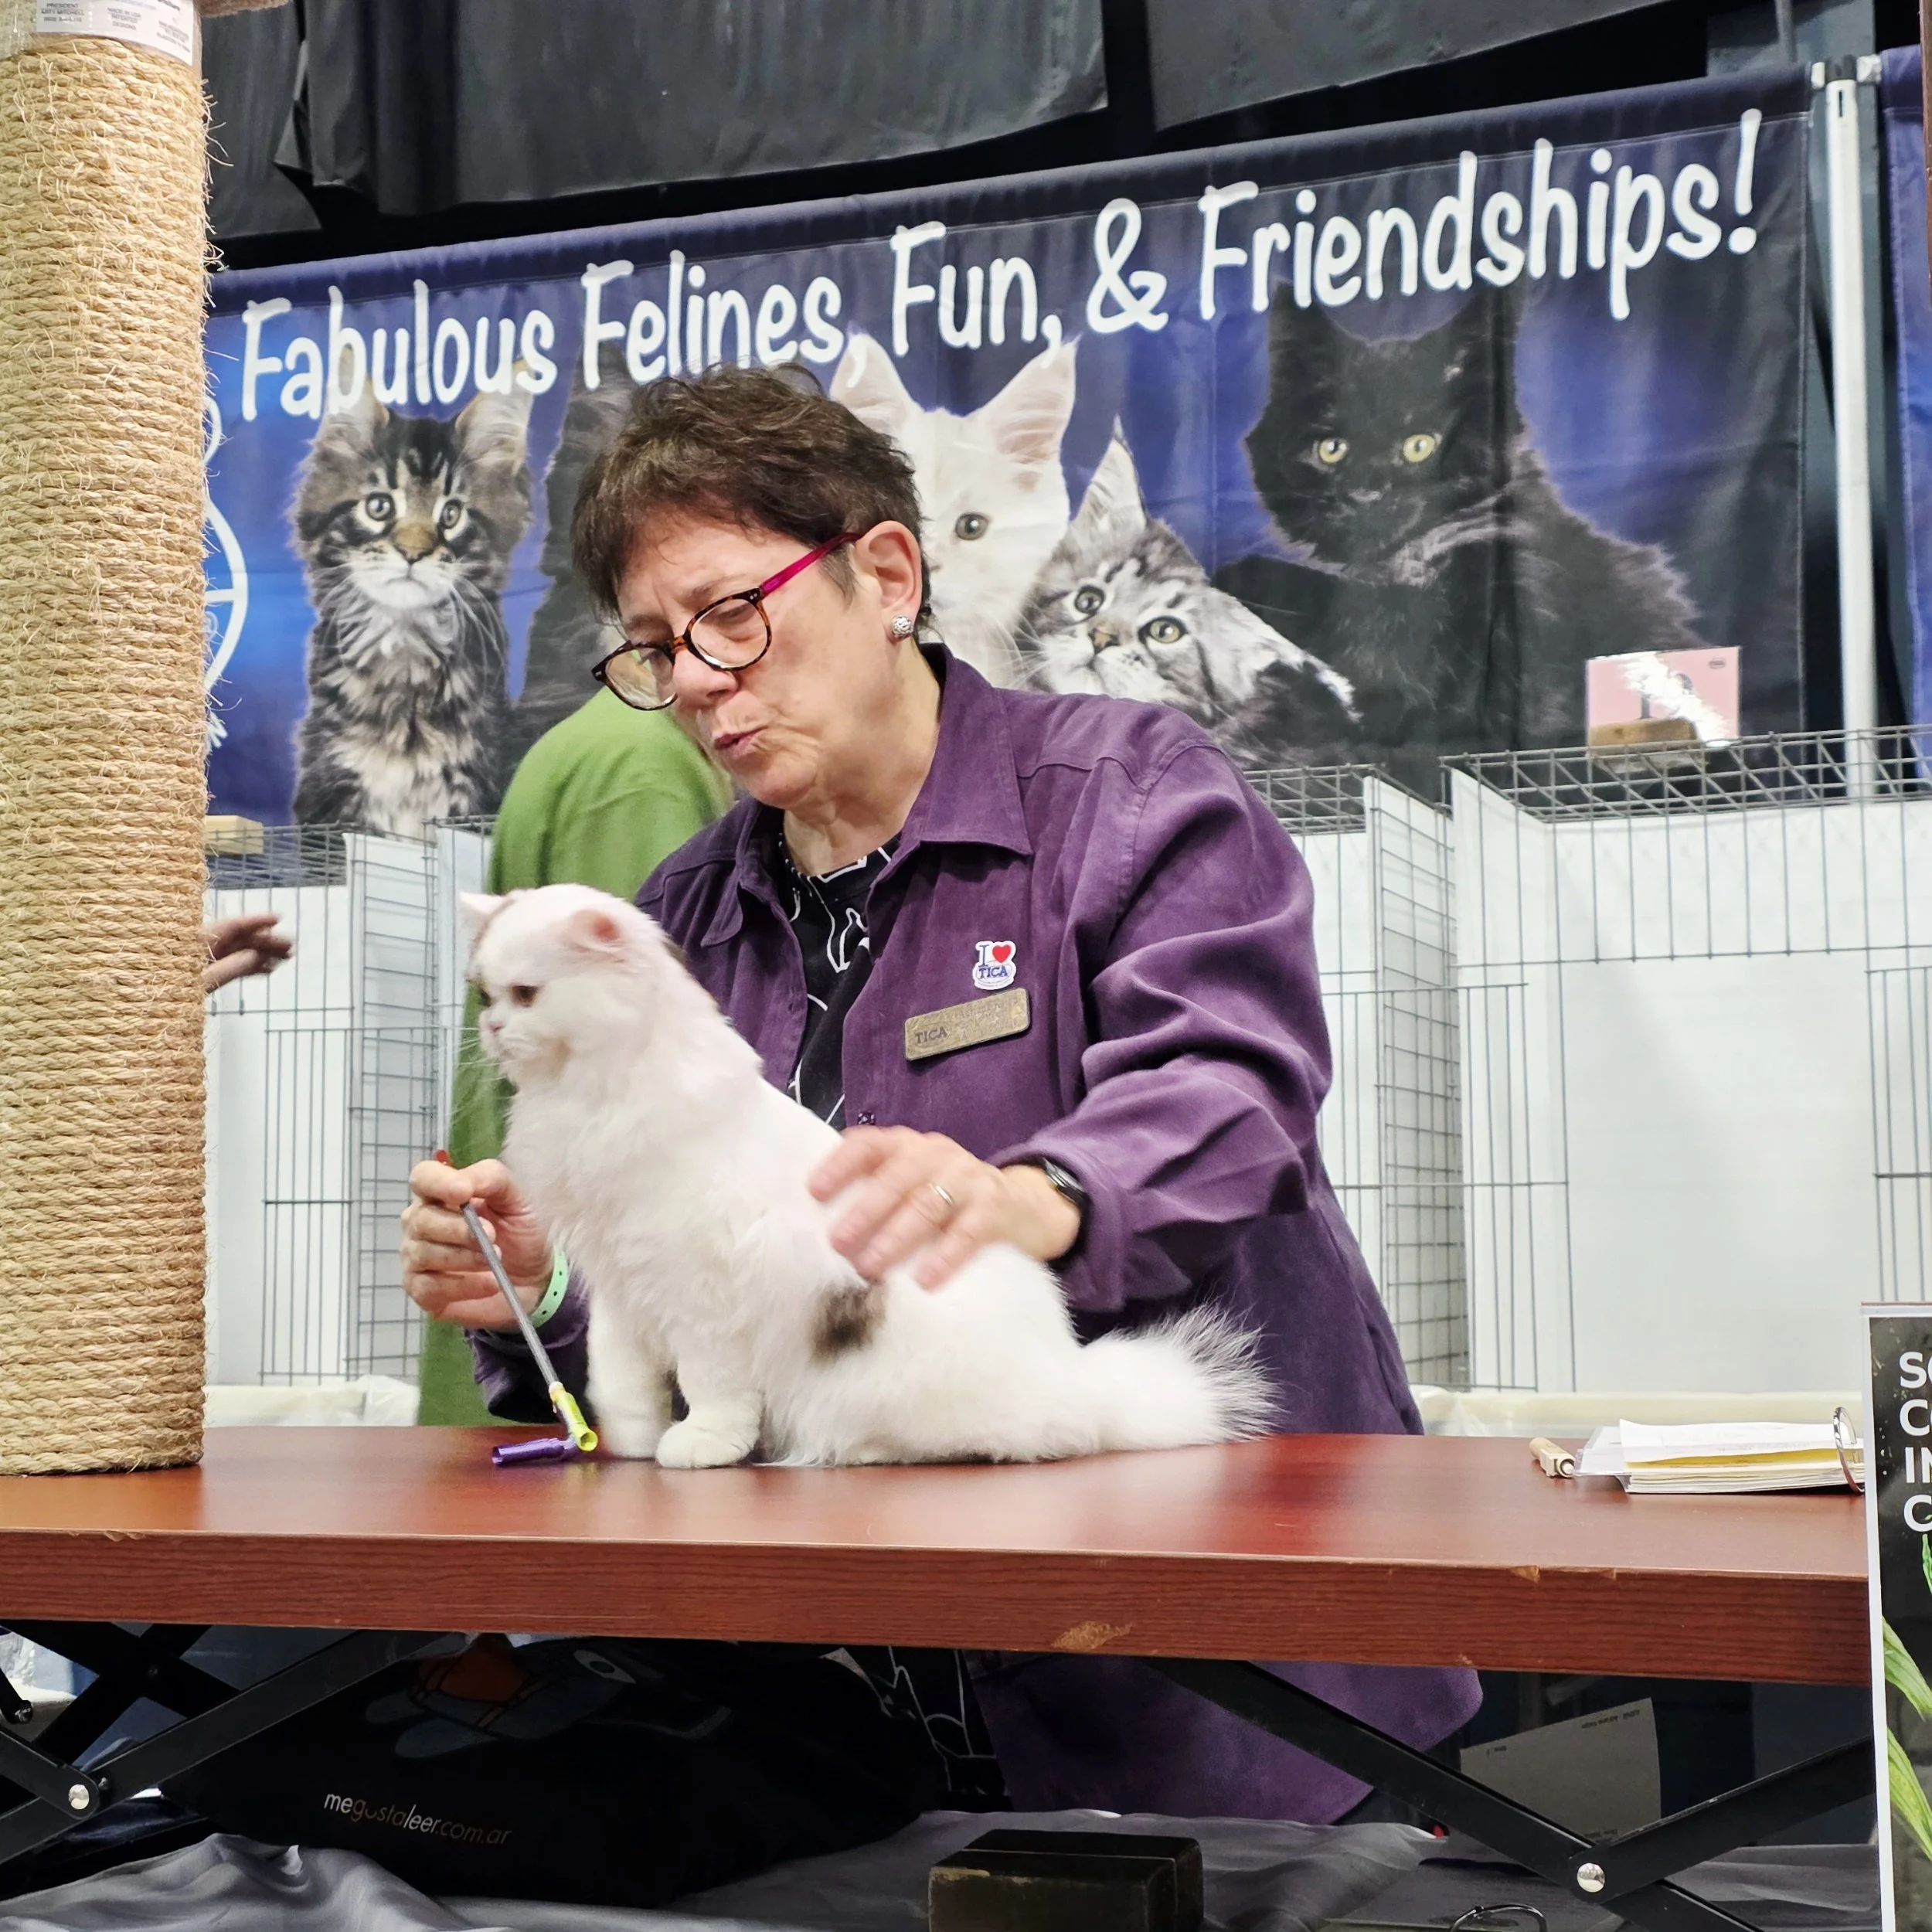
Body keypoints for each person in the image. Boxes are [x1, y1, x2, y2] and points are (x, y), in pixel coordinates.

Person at [400, 366, 1478, 1825]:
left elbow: (1230, 1089)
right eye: (657, 650)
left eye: (733, 613)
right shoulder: (688, 920)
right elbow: (719, 1302)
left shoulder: (1128, 795)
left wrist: (1035, 1197)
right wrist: (549, 1289)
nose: (703, 680)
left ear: (889, 573)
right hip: (861, 1724)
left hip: (1219, 1698)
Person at [418, 688, 731, 1423]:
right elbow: (629, 1046)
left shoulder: (595, 748)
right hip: (579, 1319)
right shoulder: (638, 768)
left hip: (547, 1295)